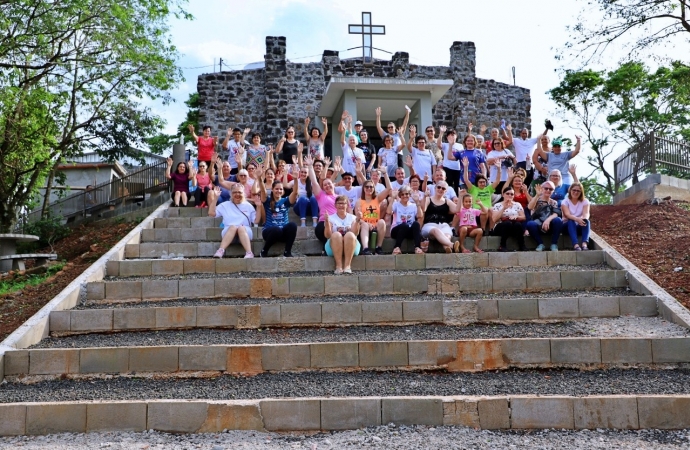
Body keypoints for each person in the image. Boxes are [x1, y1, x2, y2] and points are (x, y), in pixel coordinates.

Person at [208, 184, 256, 259]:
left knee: (241, 228)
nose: (237, 194)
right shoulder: (225, 205)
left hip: (245, 232)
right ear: (231, 193)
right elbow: (211, 213)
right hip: (229, 232)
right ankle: (220, 251)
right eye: (235, 192)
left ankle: (249, 253)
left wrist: (259, 206)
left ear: (243, 193)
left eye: (240, 192)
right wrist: (216, 198)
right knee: (233, 227)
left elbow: (256, 220)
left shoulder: (248, 206)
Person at [256, 178, 298, 258]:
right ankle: (264, 251)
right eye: (276, 189)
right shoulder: (267, 200)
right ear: (272, 189)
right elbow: (262, 191)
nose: (278, 191)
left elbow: (295, 192)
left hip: (282, 233)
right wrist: (260, 178)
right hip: (269, 233)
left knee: (293, 225)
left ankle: (287, 252)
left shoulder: (286, 201)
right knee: (276, 229)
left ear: (283, 191)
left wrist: (295, 179)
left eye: (281, 189)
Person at [356, 171, 391, 255]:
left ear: (374, 188)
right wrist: (367, 223)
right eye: (366, 187)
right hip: (364, 225)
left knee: (382, 222)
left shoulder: (377, 199)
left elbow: (389, 189)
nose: (369, 188)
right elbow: (358, 218)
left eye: (371, 187)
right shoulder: (359, 201)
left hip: (376, 225)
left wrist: (385, 174)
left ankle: (379, 247)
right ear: (363, 189)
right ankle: (365, 248)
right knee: (364, 225)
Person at [324, 195, 362, 274]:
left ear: (347, 205)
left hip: (351, 246)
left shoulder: (353, 218)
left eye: (343, 203)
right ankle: (338, 266)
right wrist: (327, 223)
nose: (341, 205)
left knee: (350, 235)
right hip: (333, 246)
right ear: (335, 205)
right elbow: (327, 235)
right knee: (336, 235)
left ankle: (347, 266)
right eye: (339, 203)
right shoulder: (330, 218)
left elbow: (355, 233)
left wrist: (358, 220)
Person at [462, 157, 503, 231]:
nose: (482, 183)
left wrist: (499, 169)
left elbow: (497, 181)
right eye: (480, 182)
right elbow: (466, 180)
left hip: (488, 210)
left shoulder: (488, 188)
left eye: (484, 182)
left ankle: (491, 229)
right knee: (485, 210)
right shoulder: (473, 189)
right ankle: (483, 229)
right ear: (477, 183)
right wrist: (465, 167)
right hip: (476, 211)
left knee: (490, 209)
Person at [305, 155, 338, 244]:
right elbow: (314, 182)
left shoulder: (339, 197)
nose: (327, 186)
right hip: (324, 223)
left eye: (329, 184)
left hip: (338, 223)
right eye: (325, 185)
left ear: (333, 184)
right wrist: (310, 166)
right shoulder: (321, 195)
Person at [421, 181, 459, 253]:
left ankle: (447, 248)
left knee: (447, 236)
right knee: (436, 231)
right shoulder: (429, 199)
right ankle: (452, 245)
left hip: (443, 225)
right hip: (429, 225)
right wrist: (424, 196)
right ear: (435, 188)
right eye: (439, 187)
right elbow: (423, 209)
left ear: (446, 191)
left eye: (443, 188)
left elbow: (457, 210)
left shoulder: (447, 201)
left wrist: (461, 197)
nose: (440, 189)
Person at [526, 181, 564, 252]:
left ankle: (554, 244)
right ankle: (540, 244)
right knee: (530, 224)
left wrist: (547, 220)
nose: (548, 190)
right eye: (546, 188)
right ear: (542, 189)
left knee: (558, 220)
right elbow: (530, 207)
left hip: (549, 226)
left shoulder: (553, 202)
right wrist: (537, 195)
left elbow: (556, 213)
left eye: (551, 189)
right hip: (538, 226)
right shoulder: (536, 200)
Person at [387, 185, 424, 255]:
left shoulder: (413, 205)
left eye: (406, 194)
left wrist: (417, 202)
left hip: (409, 230)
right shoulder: (396, 204)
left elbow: (420, 216)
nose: (404, 196)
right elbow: (389, 212)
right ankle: (397, 247)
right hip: (397, 230)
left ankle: (417, 247)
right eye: (402, 194)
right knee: (404, 225)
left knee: (416, 224)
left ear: (410, 195)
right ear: (400, 195)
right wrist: (392, 198)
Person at [491, 186, 527, 252]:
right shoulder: (497, 205)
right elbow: (494, 219)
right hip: (501, 227)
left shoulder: (517, 204)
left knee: (518, 224)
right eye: (507, 193)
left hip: (514, 226)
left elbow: (524, 217)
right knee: (507, 223)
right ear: (503, 194)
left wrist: (516, 216)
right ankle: (502, 245)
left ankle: (522, 245)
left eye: (512, 194)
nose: (509, 195)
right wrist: (503, 208)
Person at [561, 182, 591, 251]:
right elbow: (567, 215)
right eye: (574, 190)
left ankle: (584, 244)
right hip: (566, 227)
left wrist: (583, 219)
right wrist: (577, 219)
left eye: (578, 191)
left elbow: (586, 214)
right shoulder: (565, 201)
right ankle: (575, 245)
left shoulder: (585, 201)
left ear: (581, 192)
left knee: (586, 221)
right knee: (571, 220)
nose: (576, 192)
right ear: (570, 190)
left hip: (579, 226)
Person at [437, 126, 462, 192]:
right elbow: (439, 145)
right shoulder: (445, 145)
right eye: (450, 135)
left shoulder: (460, 145)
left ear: (456, 136)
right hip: (447, 168)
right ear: (447, 137)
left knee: (457, 187)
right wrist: (441, 133)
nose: (451, 136)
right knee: (448, 185)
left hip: (457, 169)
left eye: (453, 135)